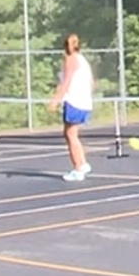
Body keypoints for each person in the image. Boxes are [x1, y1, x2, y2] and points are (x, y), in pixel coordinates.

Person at [48, 33, 94, 182]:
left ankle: (78, 169)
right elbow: (92, 82)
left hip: (75, 102)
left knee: (70, 135)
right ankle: (83, 163)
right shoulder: (83, 60)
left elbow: (66, 82)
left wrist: (55, 100)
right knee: (71, 135)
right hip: (83, 101)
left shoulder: (71, 60)